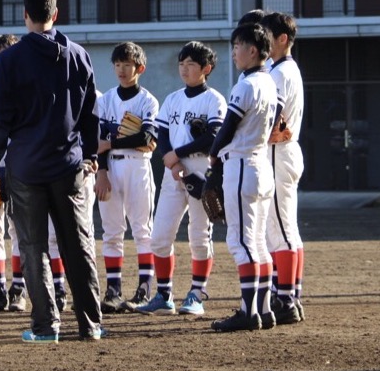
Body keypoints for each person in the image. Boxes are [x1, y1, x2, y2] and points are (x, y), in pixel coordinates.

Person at [0, 0, 104, 342]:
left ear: (25, 14)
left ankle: (46, 325)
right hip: (68, 166)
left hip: (26, 167)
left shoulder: (8, 60)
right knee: (77, 245)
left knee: (33, 248)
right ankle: (91, 324)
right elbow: (90, 113)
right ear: (55, 13)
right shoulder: (78, 55)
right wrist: (92, 154)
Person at [0, 34, 68, 313]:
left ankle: (18, 288)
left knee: (18, 230)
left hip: (18, 169)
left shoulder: (25, 87)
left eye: (7, 51)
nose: (1, 56)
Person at [136, 41, 226, 316]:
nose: (184, 69)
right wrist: (170, 159)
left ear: (206, 68)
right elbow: (162, 132)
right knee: (160, 236)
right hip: (173, 174)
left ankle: (197, 293)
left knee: (199, 236)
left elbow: (213, 137)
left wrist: (177, 154)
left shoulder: (214, 99)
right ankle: (164, 294)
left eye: (191, 64)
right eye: (181, 64)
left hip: (201, 173)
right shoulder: (174, 98)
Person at [208, 22, 280, 332]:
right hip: (261, 163)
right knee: (258, 243)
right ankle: (263, 310)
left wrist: (212, 155)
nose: (234, 51)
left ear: (253, 50)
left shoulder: (246, 84)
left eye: (238, 46)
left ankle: (248, 312)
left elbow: (227, 127)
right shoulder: (269, 82)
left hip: (241, 165)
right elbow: (277, 119)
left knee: (240, 241)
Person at [94, 41, 160, 313]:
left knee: (142, 230)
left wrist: (111, 144)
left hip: (138, 167)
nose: (121, 70)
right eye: (118, 65)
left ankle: (144, 288)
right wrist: (101, 171)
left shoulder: (148, 101)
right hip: (110, 169)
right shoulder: (106, 99)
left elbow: (147, 138)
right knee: (111, 231)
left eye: (127, 65)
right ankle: (113, 289)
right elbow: (98, 140)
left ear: (139, 68)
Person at [262, 11, 306, 324]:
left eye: (266, 35)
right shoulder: (285, 69)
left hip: (278, 153)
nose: (261, 41)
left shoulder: (280, 73)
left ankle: (286, 299)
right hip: (284, 152)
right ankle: (291, 294)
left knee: (280, 230)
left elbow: (273, 121)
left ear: (282, 39)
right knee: (286, 229)